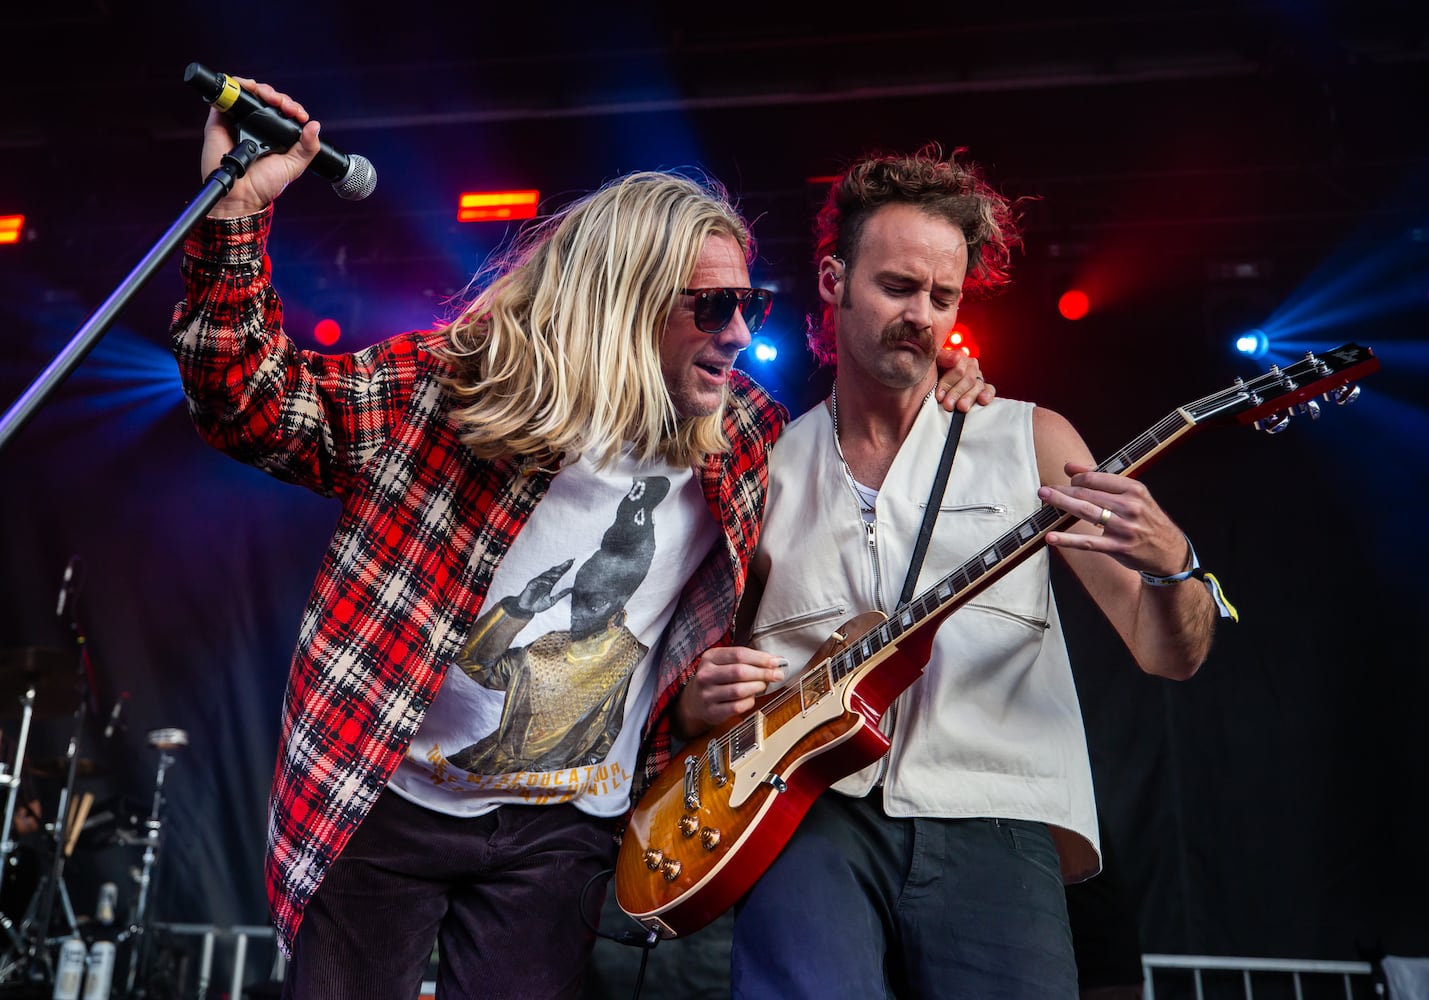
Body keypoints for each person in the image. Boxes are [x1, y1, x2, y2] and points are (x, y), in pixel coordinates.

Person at [169, 80, 992, 999]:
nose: (736, 334)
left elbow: (863, 431)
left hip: (564, 828)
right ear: (624, 300)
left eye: (748, 307)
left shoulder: (743, 434)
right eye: (709, 309)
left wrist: (944, 381)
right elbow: (247, 404)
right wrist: (235, 213)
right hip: (393, 798)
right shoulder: (455, 390)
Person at [674, 146, 1235, 998]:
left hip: (995, 813)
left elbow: (1170, 655)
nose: (923, 317)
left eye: (943, 296)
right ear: (831, 282)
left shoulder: (1030, 438)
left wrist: (1172, 564)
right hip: (803, 813)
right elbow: (689, 662)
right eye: (897, 287)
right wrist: (694, 697)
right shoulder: (761, 462)